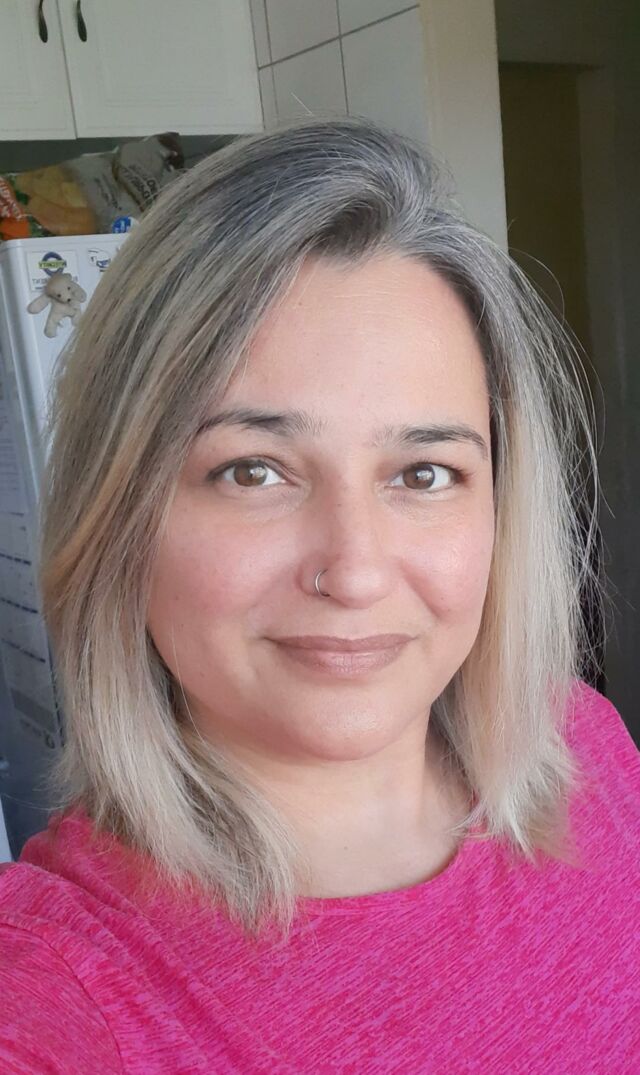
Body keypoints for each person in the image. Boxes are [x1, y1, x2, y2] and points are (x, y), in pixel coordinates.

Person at [0, 118, 638, 1074]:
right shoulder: (56, 989)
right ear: (119, 512)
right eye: (253, 470)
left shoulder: (581, 741)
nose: (356, 571)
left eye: (423, 474)